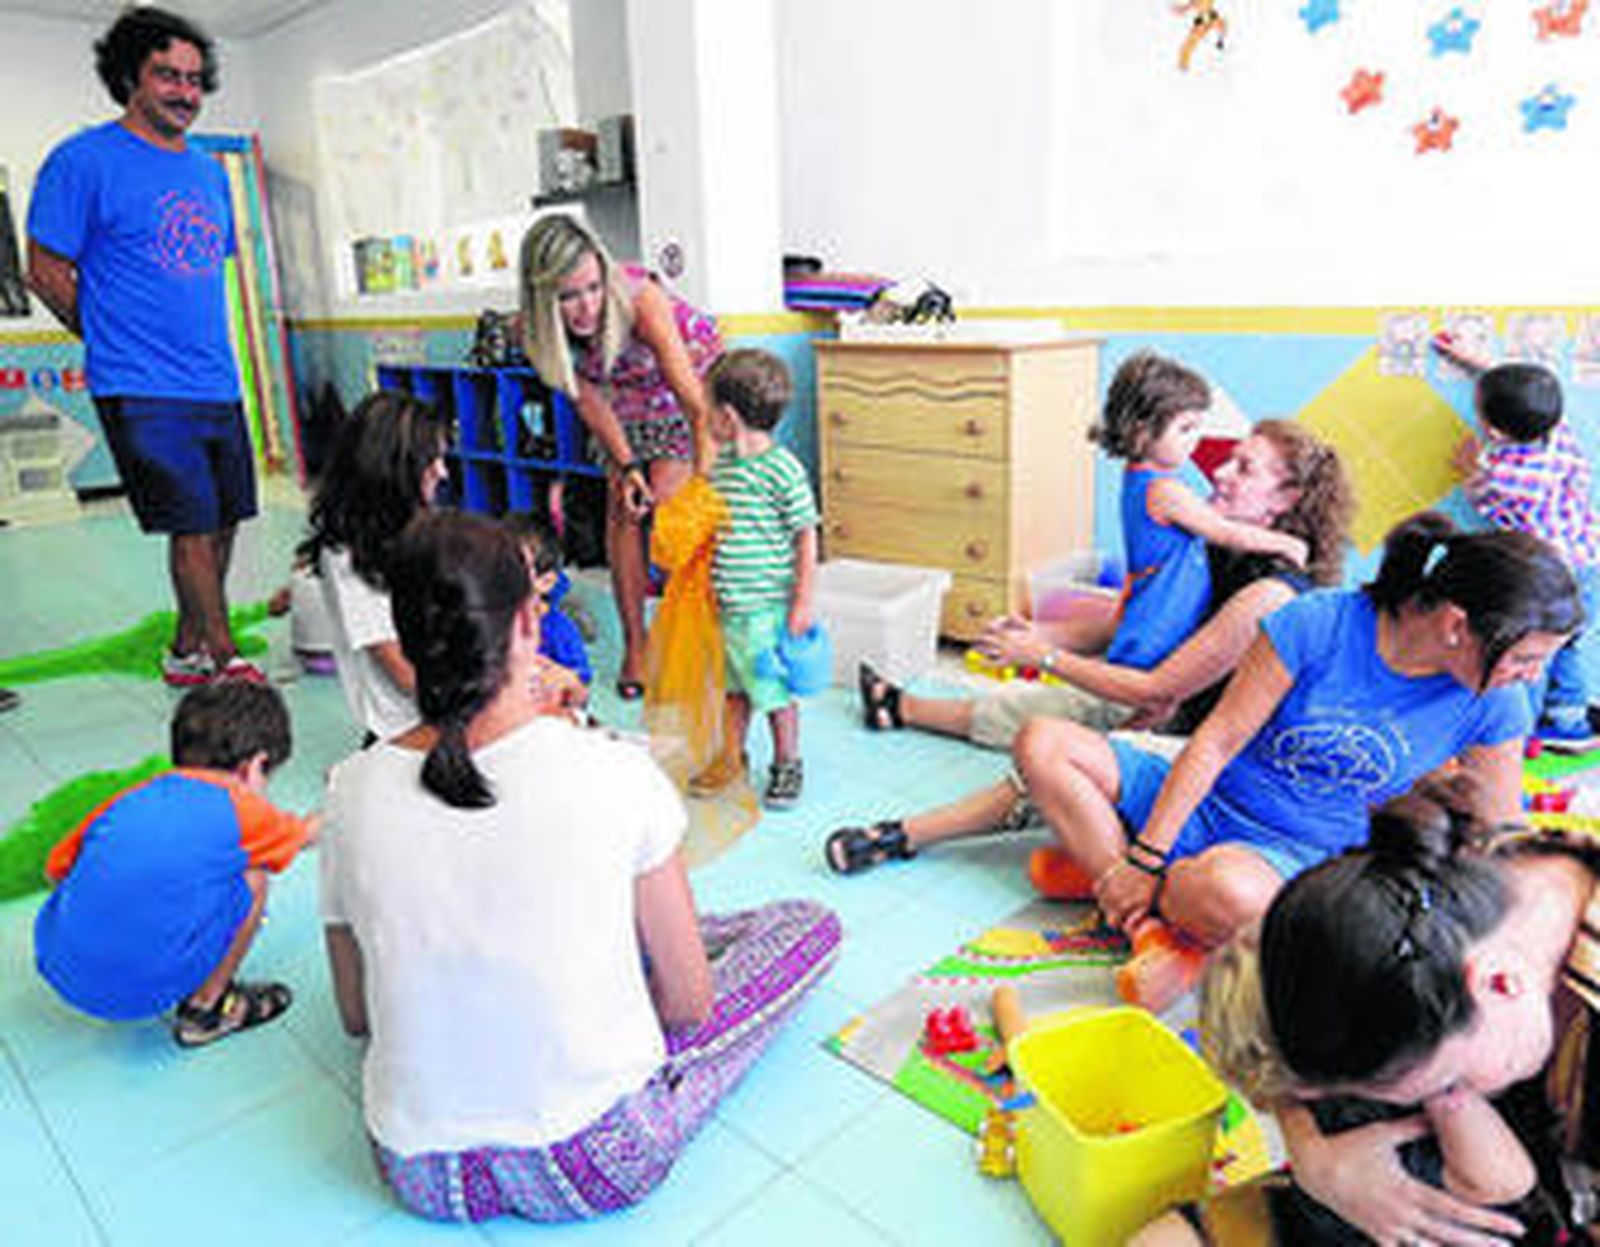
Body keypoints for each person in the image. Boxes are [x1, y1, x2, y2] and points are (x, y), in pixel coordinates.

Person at [318, 511, 840, 1224]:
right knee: (808, 926)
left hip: (419, 1169)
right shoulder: (612, 769)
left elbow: (356, 1014)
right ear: (529, 627)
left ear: (408, 639)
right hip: (590, 1155)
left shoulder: (348, 788)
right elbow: (688, 1004)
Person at [1018, 511, 1579, 1010]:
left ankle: (1110, 879)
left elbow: (1502, 831)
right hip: (1206, 800)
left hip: (1296, 858)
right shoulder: (1320, 622)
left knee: (1232, 895)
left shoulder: (1497, 704)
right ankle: (1147, 911)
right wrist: (1144, 857)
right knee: (1043, 744)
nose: (1531, 676)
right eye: (1525, 659)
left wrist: (1545, 915)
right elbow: (1216, 741)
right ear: (1457, 625)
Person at [829, 421, 1352, 876]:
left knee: (1044, 753)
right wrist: (1041, 635)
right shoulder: (1212, 546)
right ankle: (902, 723)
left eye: (1245, 468)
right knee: (1050, 721)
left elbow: (1163, 688)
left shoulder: (1272, 594)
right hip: (1165, 713)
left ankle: (905, 835)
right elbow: (1131, 625)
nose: (1219, 472)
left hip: (1212, 756)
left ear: (1287, 500)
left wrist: (1045, 658)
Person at [1132, 785, 1594, 1245]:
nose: (1455, 1096)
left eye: (1447, 1083)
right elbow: (1286, 1048)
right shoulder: (1409, 892)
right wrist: (1318, 1161)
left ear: (1499, 984)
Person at [26, 7, 261, 685]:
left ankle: (187, 647)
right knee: (190, 524)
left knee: (224, 520)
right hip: (140, 382)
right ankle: (226, 659)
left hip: (215, 377)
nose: (185, 92)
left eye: (194, 79)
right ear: (131, 75)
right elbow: (44, 269)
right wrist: (109, 339)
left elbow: (195, 271)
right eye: (167, 75)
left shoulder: (209, 172)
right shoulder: (83, 161)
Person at [33, 680, 313, 1048]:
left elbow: (56, 870)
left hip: (58, 967)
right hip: (137, 996)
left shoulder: (132, 797)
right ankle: (206, 1011)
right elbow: (307, 834)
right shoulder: (243, 811)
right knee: (253, 874)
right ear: (255, 765)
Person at [520, 213, 723, 701]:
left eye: (592, 288)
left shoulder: (640, 300)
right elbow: (587, 399)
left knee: (671, 509)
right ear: (543, 298)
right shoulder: (533, 331)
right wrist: (629, 467)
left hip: (689, 385)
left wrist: (702, 485)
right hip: (625, 402)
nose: (586, 307)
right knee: (623, 505)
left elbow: (695, 405)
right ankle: (638, 645)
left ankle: (697, 645)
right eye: (568, 296)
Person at [1091, 351, 1308, 671]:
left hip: (1153, 624)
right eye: (1185, 428)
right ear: (1142, 431)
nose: (1196, 440)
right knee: (1133, 698)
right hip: (1157, 629)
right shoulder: (1164, 491)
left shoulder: (1143, 480)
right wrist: (1285, 543)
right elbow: (1226, 532)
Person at [1439, 336, 1600, 750]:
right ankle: (1570, 721)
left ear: (1492, 429)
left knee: (1531, 653)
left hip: (1546, 576)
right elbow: (1526, 401)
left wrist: (1467, 467)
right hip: (1588, 562)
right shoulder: (1556, 436)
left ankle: (1519, 731)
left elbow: (1481, 498)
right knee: (1568, 641)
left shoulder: (1505, 476)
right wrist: (1483, 364)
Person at [689, 349, 819, 809]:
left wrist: (804, 599)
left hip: (766, 610)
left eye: (707, 408)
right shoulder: (721, 467)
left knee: (775, 693)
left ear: (727, 416)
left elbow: (806, 534)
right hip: (728, 608)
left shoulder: (782, 469)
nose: (703, 418)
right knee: (732, 692)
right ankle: (731, 759)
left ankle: (787, 761)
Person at [298, 390, 451, 745]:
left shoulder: (417, 523)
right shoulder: (348, 556)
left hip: (444, 689)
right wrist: (470, 708)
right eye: (433, 460)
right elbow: (397, 666)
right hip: (411, 719)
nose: (442, 473)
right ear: (396, 468)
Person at [505, 511, 593, 686]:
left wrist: (553, 676)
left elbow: (579, 683)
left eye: (512, 567)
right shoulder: (488, 619)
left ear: (545, 582)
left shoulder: (559, 630)